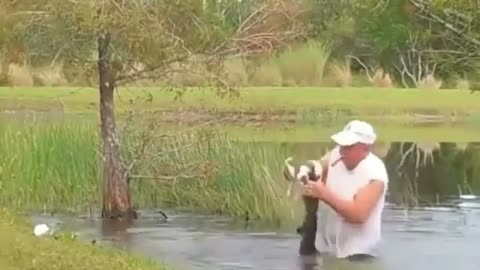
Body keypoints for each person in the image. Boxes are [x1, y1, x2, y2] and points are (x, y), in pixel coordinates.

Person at [302, 120, 389, 261]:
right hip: (326, 249)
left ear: (366, 149)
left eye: (349, 146)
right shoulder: (336, 154)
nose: (342, 150)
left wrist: (323, 194)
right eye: (342, 145)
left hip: (359, 255)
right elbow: (319, 165)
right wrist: (307, 168)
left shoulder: (375, 174)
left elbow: (358, 215)